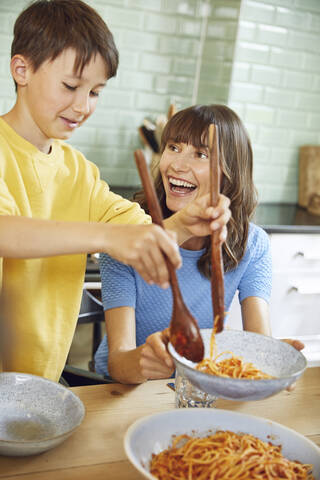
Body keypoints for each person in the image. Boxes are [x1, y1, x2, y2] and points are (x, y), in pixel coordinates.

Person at [0, 1, 230, 382]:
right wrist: (107, 236)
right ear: (21, 69)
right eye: (71, 86)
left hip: (39, 383)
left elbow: (144, 233)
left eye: (95, 92)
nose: (83, 106)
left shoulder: (80, 171)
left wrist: (188, 223)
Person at [94, 104, 304, 384]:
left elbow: (259, 341)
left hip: (193, 384)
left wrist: (270, 362)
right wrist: (145, 360)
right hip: (120, 388)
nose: (177, 165)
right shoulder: (130, 237)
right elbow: (119, 362)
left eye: (201, 154)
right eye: (174, 147)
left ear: (229, 171)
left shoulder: (251, 244)